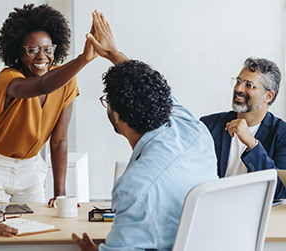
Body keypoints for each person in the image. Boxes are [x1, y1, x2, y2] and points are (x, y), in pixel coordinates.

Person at [72, 10, 218, 251]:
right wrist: (112, 53)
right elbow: (153, 88)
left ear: (117, 116)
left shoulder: (134, 189)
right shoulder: (194, 128)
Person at [0, 4, 97, 206]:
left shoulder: (66, 80)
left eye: (48, 49)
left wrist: (60, 193)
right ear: (17, 53)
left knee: (35, 231)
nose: (42, 56)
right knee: (0, 233)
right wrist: (83, 60)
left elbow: (59, 140)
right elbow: (42, 85)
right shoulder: (9, 78)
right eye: (32, 50)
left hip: (30, 170)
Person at [200, 57, 286, 199]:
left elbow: (280, 191)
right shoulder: (208, 125)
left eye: (249, 85)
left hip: (256, 215)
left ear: (268, 96)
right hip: (212, 208)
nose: (239, 88)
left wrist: (252, 145)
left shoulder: (282, 134)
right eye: (238, 81)